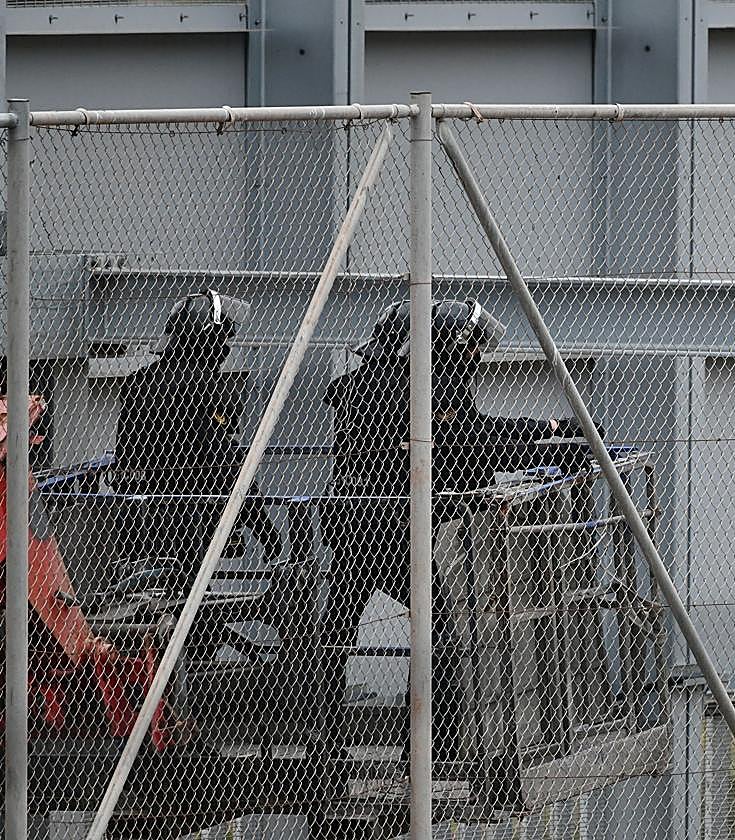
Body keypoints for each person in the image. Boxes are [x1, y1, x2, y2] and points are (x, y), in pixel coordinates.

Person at [312, 298, 587, 761]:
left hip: (353, 518)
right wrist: (552, 445)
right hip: (386, 526)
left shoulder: (387, 382)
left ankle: (331, 749)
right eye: (471, 347)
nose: (476, 357)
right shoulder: (410, 388)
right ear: (446, 346)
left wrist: (550, 430)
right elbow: (470, 447)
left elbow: (473, 434)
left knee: (340, 627)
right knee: (436, 629)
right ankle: (427, 751)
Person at [112, 290, 282, 592]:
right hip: (188, 515)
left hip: (137, 513)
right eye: (223, 339)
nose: (226, 347)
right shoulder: (206, 387)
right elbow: (225, 463)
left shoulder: (139, 381)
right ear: (206, 339)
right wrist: (264, 527)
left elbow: (125, 455)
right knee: (193, 600)